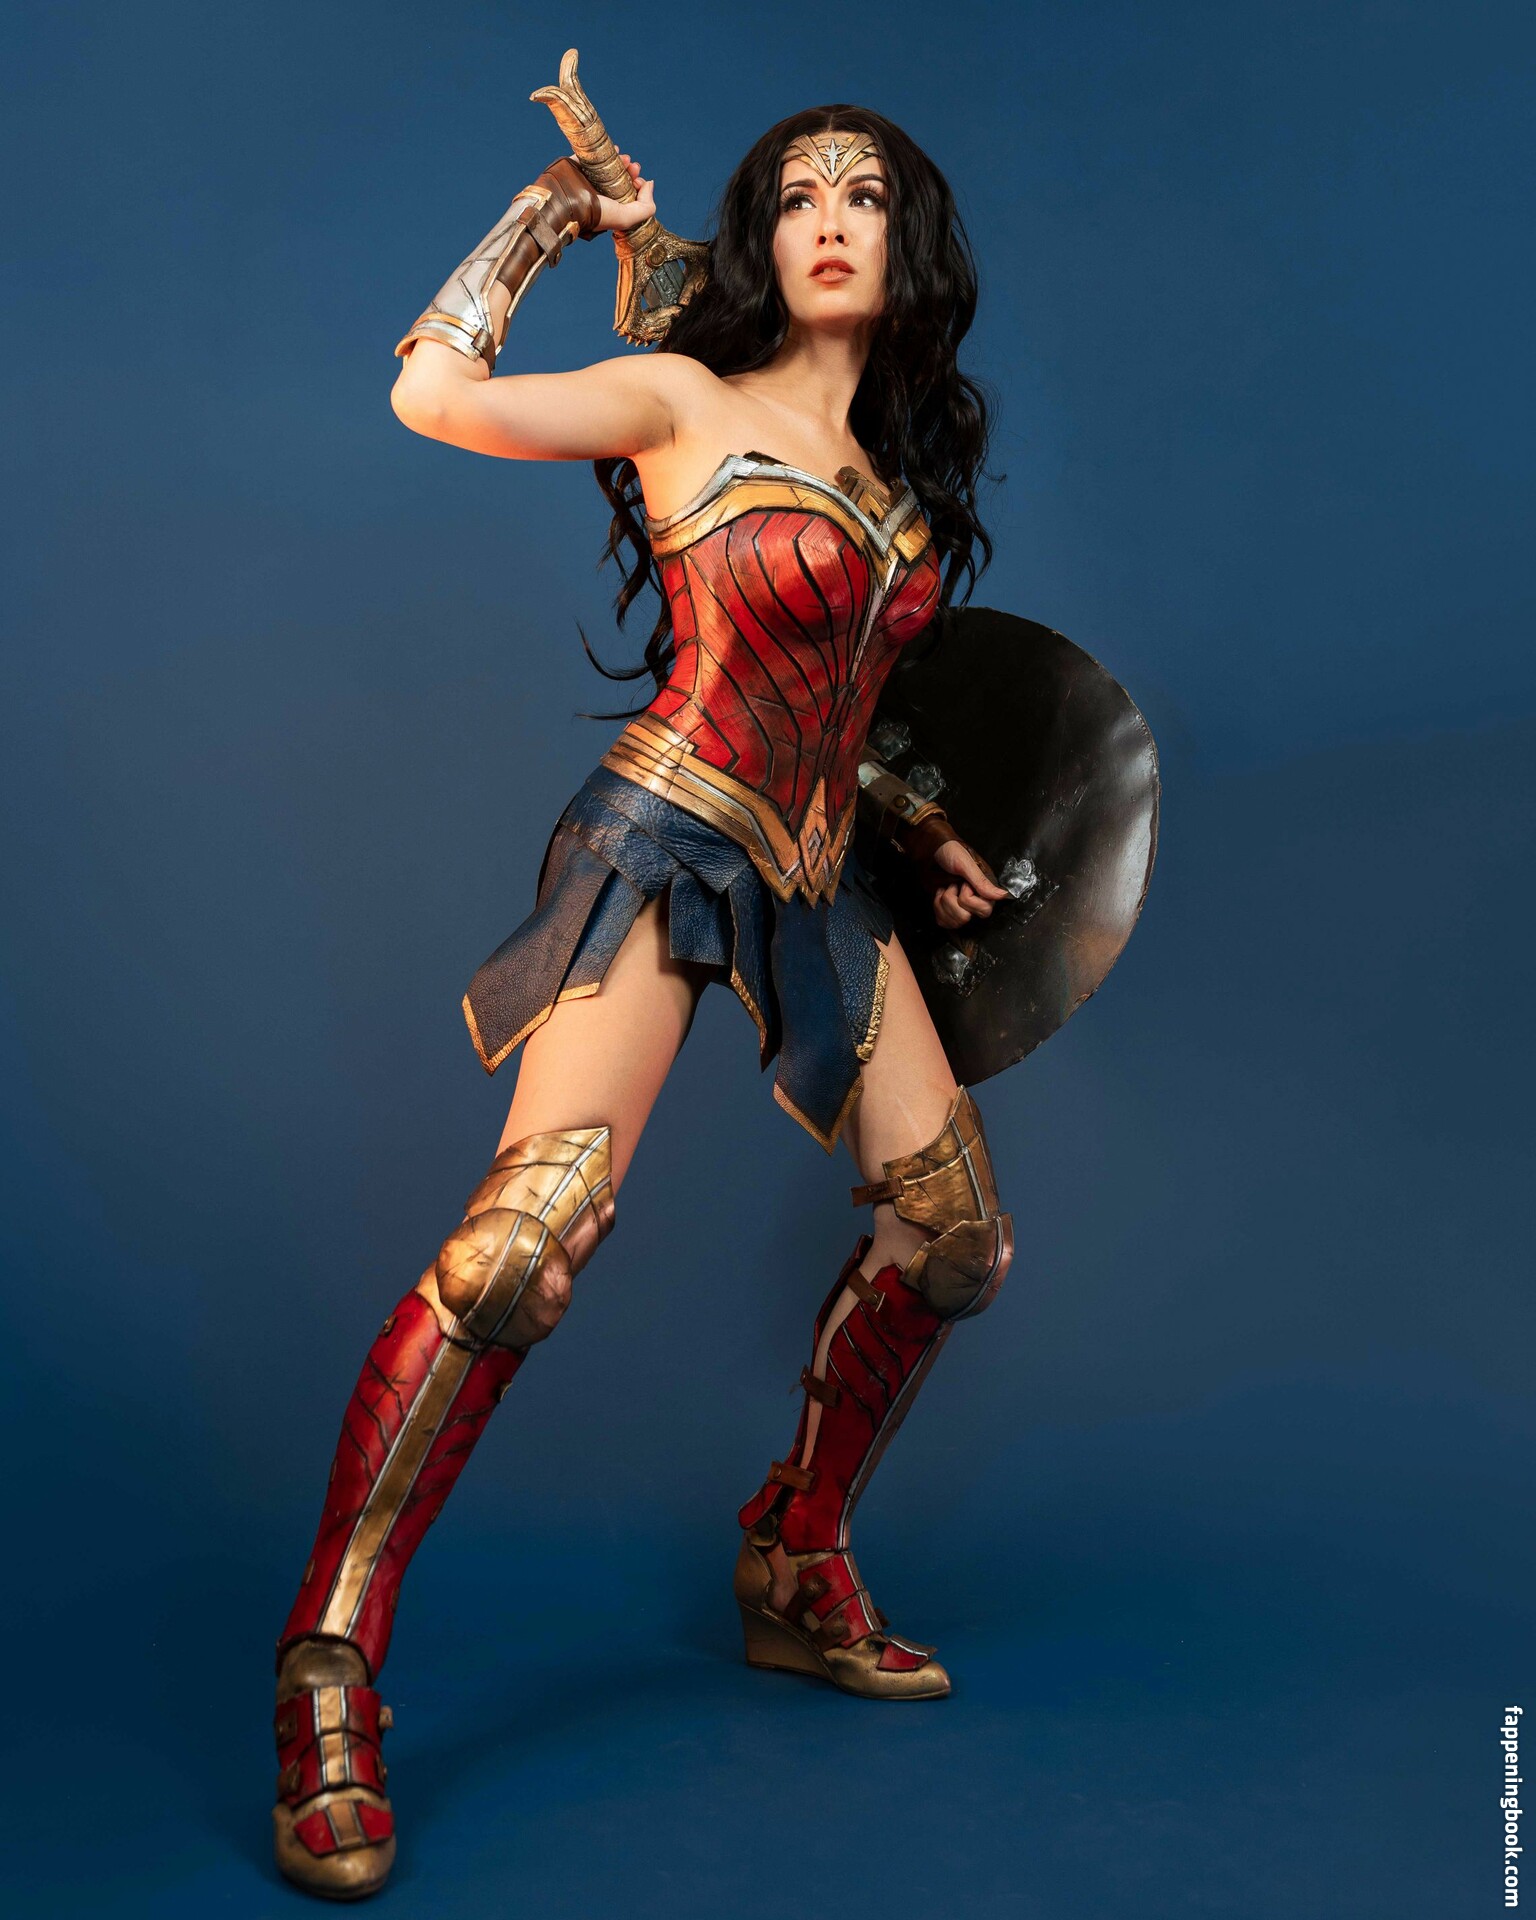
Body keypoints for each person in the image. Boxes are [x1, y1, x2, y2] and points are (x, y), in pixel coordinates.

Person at [271, 104, 1016, 1901]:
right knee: (519, 1250)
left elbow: (832, 702)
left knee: (955, 1238)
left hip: (820, 876)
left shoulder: (899, 490)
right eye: (796, 197)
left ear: (906, 244)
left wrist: (925, 826)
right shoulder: (683, 402)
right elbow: (431, 398)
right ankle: (328, 1665)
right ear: (759, 238)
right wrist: (550, 219)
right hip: (667, 841)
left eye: (865, 197)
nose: (829, 220)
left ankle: (794, 1558)